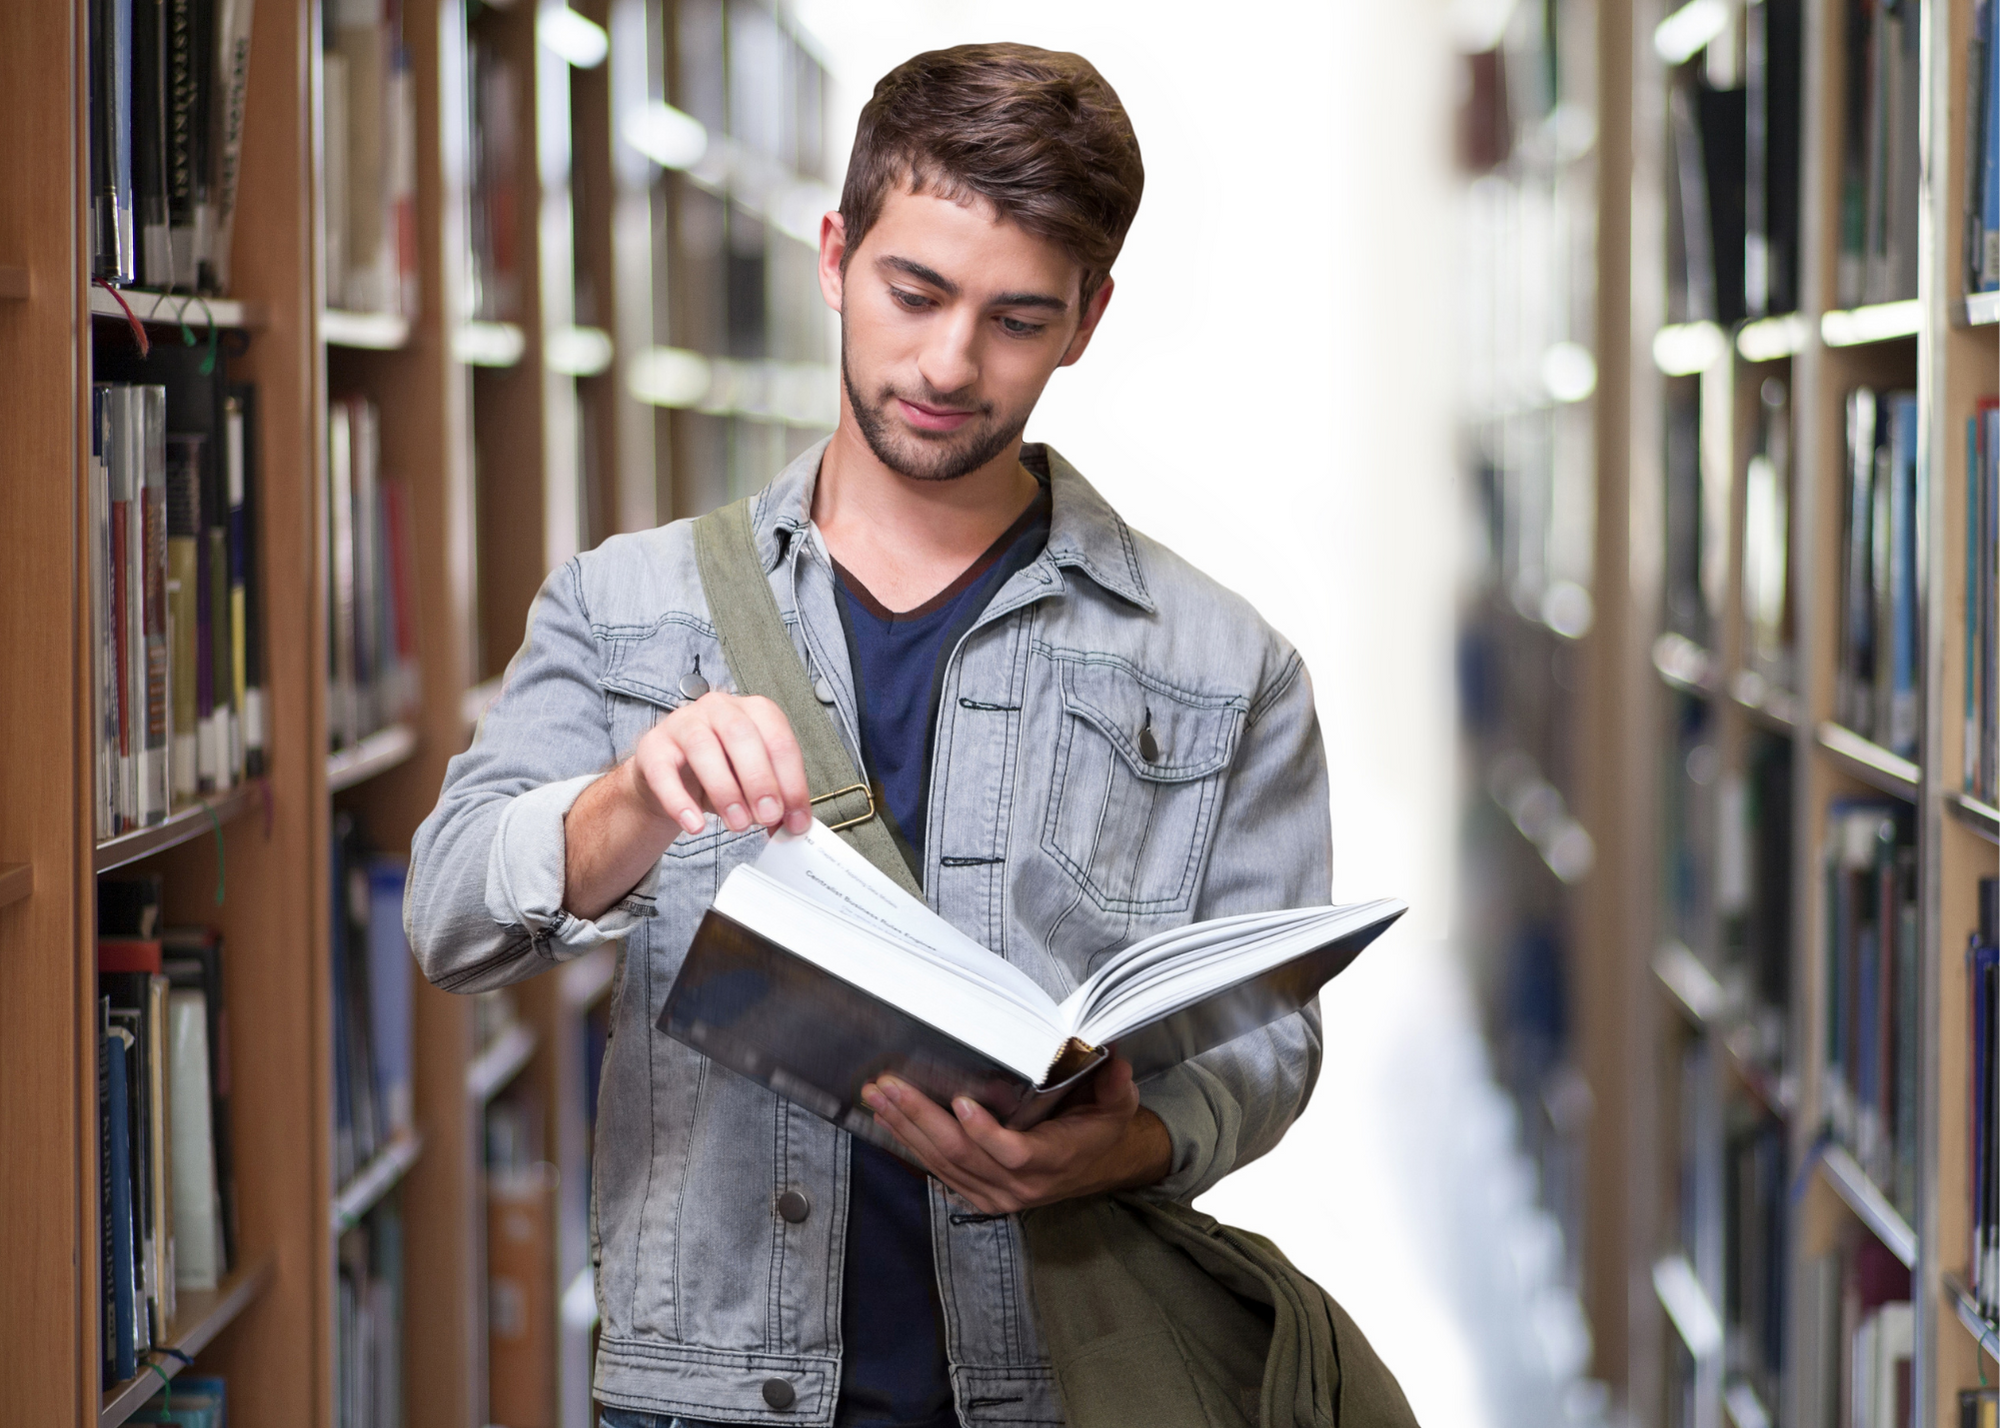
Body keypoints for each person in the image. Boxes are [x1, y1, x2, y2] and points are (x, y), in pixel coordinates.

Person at [408, 42, 1331, 1428]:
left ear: (1089, 317)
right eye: (916, 292)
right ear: (836, 253)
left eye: (1018, 319)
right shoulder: (626, 609)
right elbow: (449, 916)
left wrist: (1126, 1145)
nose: (950, 363)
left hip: (1057, 1388)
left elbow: (1271, 1043)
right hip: (705, 1395)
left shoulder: (1223, 665)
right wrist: (630, 801)